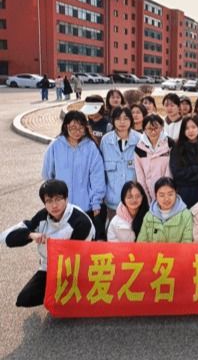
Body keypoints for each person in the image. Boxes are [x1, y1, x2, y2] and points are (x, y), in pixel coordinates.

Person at [3, 180, 93, 307]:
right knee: (24, 299)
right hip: (50, 268)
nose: (54, 205)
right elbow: (9, 240)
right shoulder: (42, 216)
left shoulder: (80, 221)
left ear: (66, 199)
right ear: (44, 203)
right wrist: (30, 235)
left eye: (58, 199)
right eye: (49, 201)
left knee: (69, 302)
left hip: (77, 269)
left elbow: (78, 256)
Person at [42, 110, 106, 239]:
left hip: (85, 207)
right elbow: (48, 174)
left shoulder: (91, 147)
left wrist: (96, 202)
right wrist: (53, 199)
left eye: (81, 127)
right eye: (73, 127)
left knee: (84, 244)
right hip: (61, 209)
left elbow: (97, 176)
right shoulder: (55, 146)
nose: (77, 131)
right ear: (66, 126)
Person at [100, 106, 142, 222]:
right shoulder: (105, 141)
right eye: (118, 119)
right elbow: (101, 172)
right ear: (113, 121)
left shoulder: (140, 140)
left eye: (126, 118)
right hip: (113, 202)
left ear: (131, 120)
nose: (122, 122)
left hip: (135, 202)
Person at [170, 116, 198, 208]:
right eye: (187, 128)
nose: (190, 131)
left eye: (193, 127)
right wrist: (195, 168)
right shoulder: (177, 148)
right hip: (183, 191)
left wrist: (190, 175)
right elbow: (176, 172)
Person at [137, 177, 193, 243]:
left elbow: (187, 242)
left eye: (170, 194)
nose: (166, 199)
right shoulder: (148, 216)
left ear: (176, 193)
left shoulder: (186, 215)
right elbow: (141, 243)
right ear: (156, 196)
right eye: (162, 195)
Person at [134, 114, 173, 202]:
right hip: (149, 192)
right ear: (144, 129)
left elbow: (170, 171)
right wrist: (146, 198)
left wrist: (166, 192)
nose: (153, 132)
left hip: (168, 192)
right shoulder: (139, 148)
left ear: (162, 127)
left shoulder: (170, 144)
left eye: (156, 128)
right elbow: (140, 176)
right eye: (149, 129)